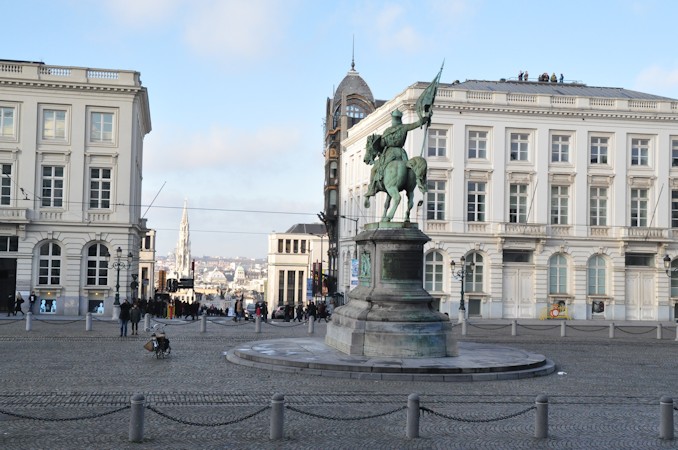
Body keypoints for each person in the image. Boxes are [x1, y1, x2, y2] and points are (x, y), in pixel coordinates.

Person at [365, 108, 432, 200]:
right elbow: (417, 123)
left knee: (374, 170)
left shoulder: (387, 131)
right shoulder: (404, 127)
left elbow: (382, 144)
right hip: (401, 153)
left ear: (392, 118)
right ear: (400, 118)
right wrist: (426, 117)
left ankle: (372, 189)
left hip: (389, 153)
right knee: (408, 167)